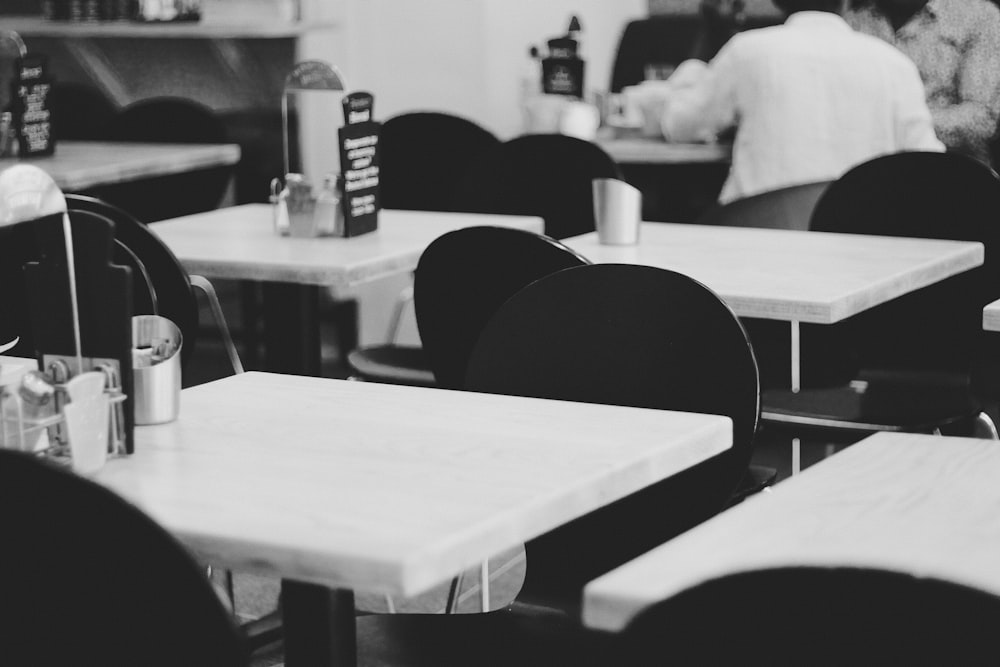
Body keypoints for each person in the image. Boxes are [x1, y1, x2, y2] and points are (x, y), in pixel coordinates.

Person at [660, 0, 944, 204]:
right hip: (861, 242)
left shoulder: (748, 51)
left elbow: (680, 125)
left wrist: (693, 70)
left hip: (758, 234)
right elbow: (928, 167)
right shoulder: (895, 65)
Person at [846, 0, 1000, 168]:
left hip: (950, 168)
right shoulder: (851, 19)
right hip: (866, 169)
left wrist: (903, 126)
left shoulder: (978, 16)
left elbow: (982, 117)